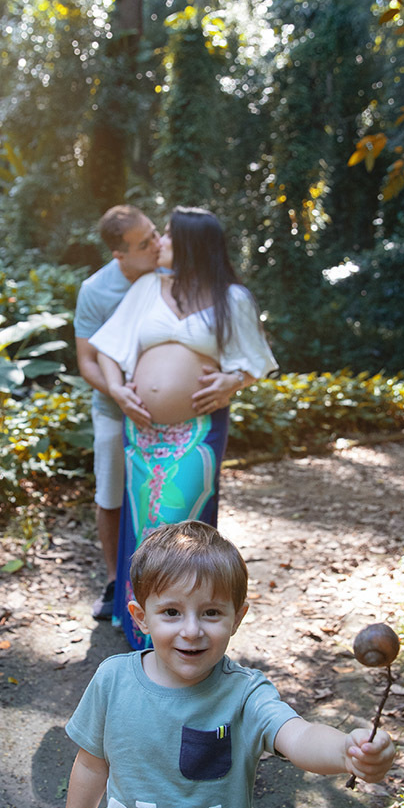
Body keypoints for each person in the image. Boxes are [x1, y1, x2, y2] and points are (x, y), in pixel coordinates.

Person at [57, 520, 396, 808]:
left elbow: (297, 735)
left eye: (211, 613)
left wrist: (346, 751)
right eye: (171, 612)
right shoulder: (113, 681)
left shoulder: (245, 694)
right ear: (140, 616)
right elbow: (91, 765)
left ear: (237, 617)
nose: (192, 630)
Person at [89, 206, 277, 648]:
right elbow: (108, 349)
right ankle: (144, 632)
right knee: (143, 527)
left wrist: (232, 381)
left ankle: (185, 631)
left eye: (168, 236)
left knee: (181, 527)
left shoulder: (232, 298)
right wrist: (119, 391)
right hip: (141, 430)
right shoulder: (147, 288)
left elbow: (254, 361)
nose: (160, 243)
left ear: (192, 244)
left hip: (197, 432)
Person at [73, 205, 160, 620]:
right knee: (110, 495)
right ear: (119, 255)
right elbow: (87, 361)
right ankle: (113, 582)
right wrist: (120, 394)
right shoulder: (95, 290)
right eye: (144, 243)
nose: (156, 244)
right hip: (112, 409)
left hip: (165, 415)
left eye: (155, 233)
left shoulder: (169, 272)